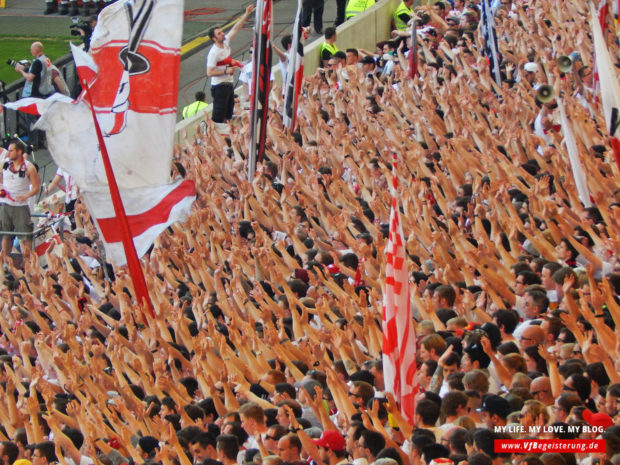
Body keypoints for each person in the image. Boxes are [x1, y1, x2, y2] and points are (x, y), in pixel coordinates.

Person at [206, 4, 254, 124]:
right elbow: (209, 72)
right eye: (219, 34)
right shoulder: (213, 53)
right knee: (219, 114)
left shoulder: (226, 43)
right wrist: (225, 71)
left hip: (228, 83)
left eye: (222, 32)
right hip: (220, 85)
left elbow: (235, 29)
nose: (222, 34)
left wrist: (246, 13)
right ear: (214, 38)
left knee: (228, 112)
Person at [0, 139, 41, 261]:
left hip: (21, 206)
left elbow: (36, 188)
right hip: (5, 204)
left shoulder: (29, 167)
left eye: (11, 150)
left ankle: (27, 262)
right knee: (6, 235)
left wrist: (25, 196)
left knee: (25, 236)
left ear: (19, 152)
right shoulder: (4, 163)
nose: (8, 153)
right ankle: (5, 263)